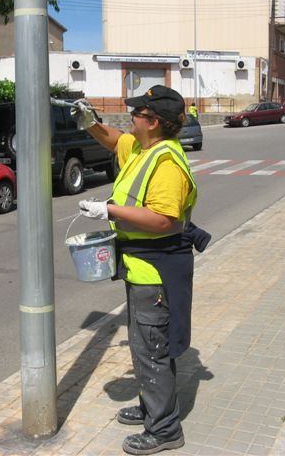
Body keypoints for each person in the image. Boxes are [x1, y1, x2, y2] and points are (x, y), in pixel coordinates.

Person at [71, 86, 210, 455]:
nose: (129, 117)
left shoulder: (167, 164)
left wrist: (109, 210)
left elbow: (164, 220)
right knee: (143, 343)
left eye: (137, 113)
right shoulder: (141, 146)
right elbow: (113, 139)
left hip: (156, 271)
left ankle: (165, 429)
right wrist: (89, 123)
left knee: (152, 348)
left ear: (153, 122)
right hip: (141, 267)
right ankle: (152, 406)